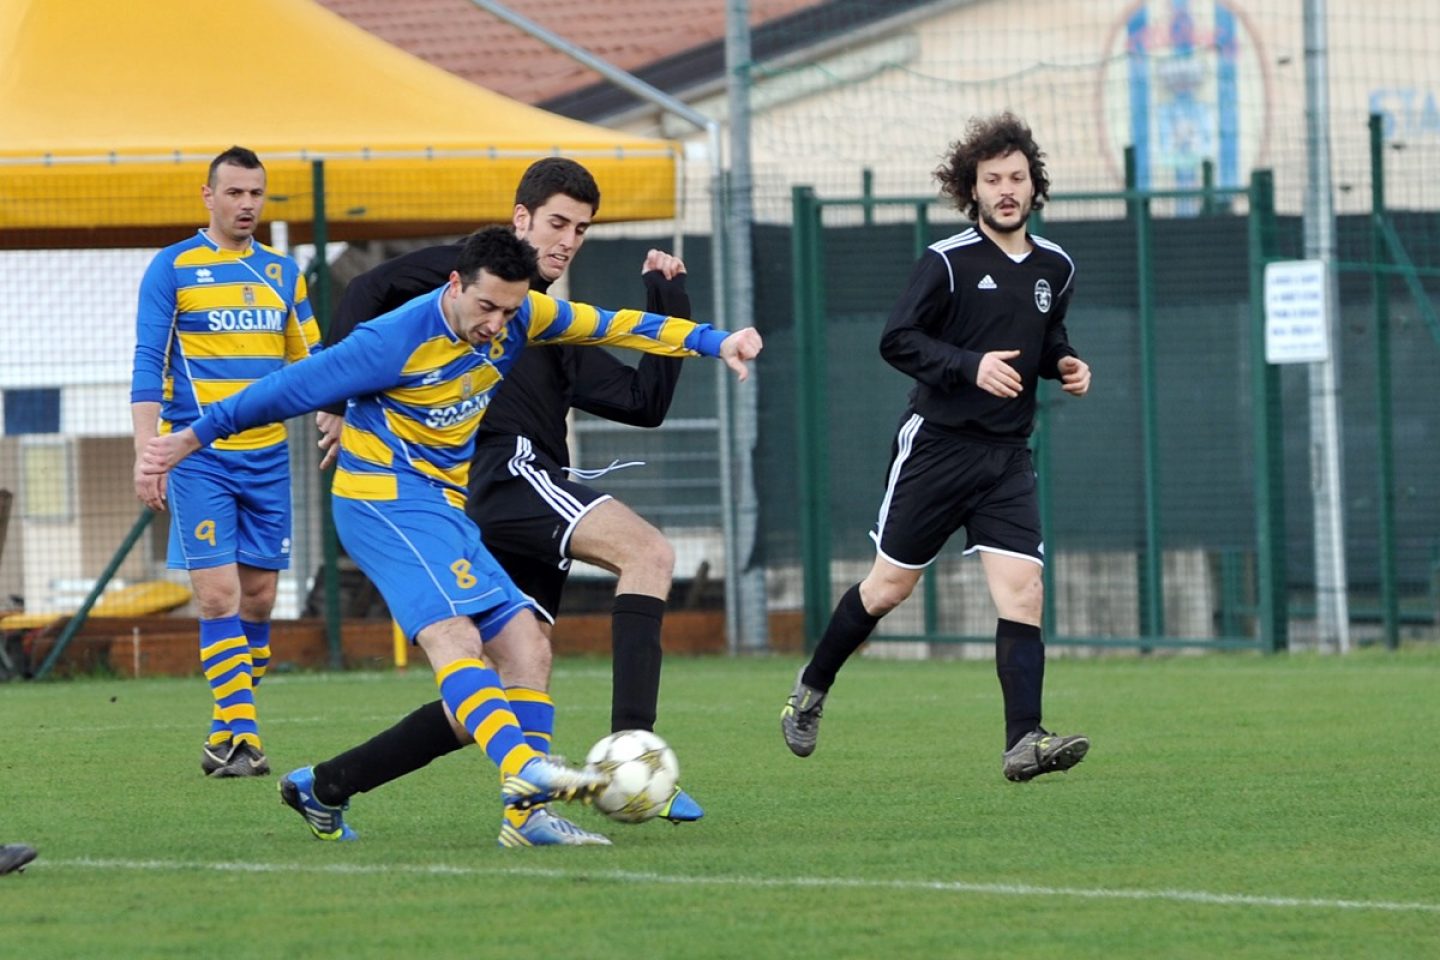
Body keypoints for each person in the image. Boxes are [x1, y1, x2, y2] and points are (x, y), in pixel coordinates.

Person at [140, 227, 762, 845]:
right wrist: (187, 440)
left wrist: (715, 340)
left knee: (526, 647)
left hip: (443, 508)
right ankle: (526, 773)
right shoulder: (391, 340)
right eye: (486, 307)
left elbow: (612, 324)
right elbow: (280, 392)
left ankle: (510, 817)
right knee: (454, 636)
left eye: (510, 310)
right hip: (381, 503)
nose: (496, 323)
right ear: (456, 284)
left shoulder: (523, 314)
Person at [300, 158, 704, 848]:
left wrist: (670, 304)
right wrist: (337, 405)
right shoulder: (463, 274)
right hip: (499, 473)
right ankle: (630, 750)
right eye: (557, 223)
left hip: (511, 500)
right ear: (521, 220)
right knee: (649, 551)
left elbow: (644, 404)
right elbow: (366, 287)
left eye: (580, 228)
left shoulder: (547, 321)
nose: (568, 239)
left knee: (507, 684)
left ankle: (326, 785)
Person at [780, 113, 1093, 782]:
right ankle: (812, 685)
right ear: (971, 190)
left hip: (1007, 457)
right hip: (939, 448)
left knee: (1024, 592)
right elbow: (898, 340)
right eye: (992, 180)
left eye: (1017, 177)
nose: (1006, 189)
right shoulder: (947, 262)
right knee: (889, 587)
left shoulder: (1056, 267)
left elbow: (1046, 334)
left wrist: (1066, 363)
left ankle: (1024, 740)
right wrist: (969, 365)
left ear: (1035, 186)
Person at [131, 146, 321, 779]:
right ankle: (245, 738)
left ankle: (222, 731)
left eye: (256, 194)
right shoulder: (173, 268)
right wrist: (148, 454)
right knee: (219, 597)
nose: (246, 205)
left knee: (261, 601)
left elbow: (314, 365)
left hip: (267, 458)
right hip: (198, 459)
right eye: (234, 193)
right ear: (207, 196)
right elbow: (146, 367)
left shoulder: (283, 273)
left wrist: (339, 414)